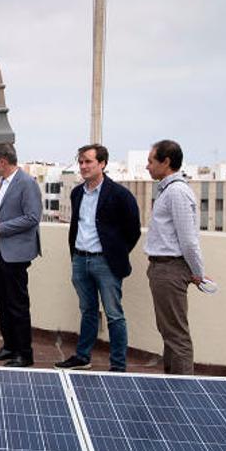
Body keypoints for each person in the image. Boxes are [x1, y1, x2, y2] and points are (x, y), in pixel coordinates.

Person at [55, 144, 141, 372]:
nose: (83, 166)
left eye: (88, 162)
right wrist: (75, 255)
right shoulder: (76, 193)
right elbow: (77, 226)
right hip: (80, 261)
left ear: (102, 163)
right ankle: (83, 357)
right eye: (81, 162)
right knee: (88, 311)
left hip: (106, 263)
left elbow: (133, 231)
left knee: (114, 314)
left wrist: (116, 254)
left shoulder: (119, 195)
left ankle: (118, 365)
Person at [144, 139, 206, 375]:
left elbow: (188, 239)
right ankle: (172, 382)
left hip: (170, 269)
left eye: (151, 161)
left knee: (176, 335)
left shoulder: (177, 192)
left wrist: (198, 273)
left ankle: (182, 388)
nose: (147, 166)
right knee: (169, 331)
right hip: (163, 269)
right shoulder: (169, 191)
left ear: (166, 162)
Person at [0, 143, 42, 367]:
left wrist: (1, 228)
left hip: (15, 253)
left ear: (3, 161)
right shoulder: (5, 182)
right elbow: (3, 214)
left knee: (17, 303)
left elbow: (32, 217)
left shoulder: (27, 183)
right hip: (0, 249)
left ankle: (24, 353)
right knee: (3, 301)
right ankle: (9, 347)